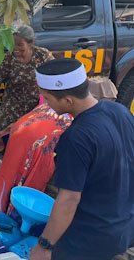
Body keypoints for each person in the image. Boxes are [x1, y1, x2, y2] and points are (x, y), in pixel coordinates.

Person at [29, 58, 134, 260]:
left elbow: (68, 199)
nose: (47, 105)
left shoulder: (76, 138)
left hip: (90, 239)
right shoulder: (120, 111)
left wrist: (44, 246)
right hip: (125, 226)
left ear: (68, 100)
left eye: (48, 99)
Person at [0, 25, 54, 149]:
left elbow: (54, 77)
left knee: (30, 141)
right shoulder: (9, 58)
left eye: (20, 45)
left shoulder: (43, 56)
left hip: (36, 108)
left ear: (31, 44)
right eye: (12, 45)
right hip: (12, 108)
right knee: (0, 139)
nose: (15, 49)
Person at [0, 102, 73, 214]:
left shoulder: (51, 105)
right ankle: (15, 214)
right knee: (29, 185)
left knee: (9, 176)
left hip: (21, 135)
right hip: (34, 143)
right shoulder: (75, 118)